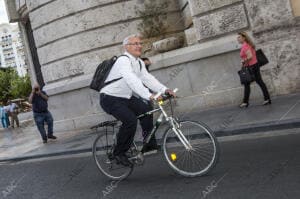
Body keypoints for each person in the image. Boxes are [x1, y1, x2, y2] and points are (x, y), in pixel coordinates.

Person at [100, 34, 175, 166]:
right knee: (130, 120)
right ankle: (119, 153)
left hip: (125, 97)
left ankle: (149, 145)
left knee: (146, 109)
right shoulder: (123, 61)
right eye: (135, 43)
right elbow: (131, 80)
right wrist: (149, 95)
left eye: (140, 43)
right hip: (110, 98)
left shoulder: (139, 62)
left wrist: (164, 90)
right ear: (126, 47)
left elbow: (147, 79)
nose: (139, 46)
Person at [237, 32, 271, 108]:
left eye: (239, 37)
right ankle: (267, 99)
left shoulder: (245, 46)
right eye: (237, 37)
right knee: (258, 82)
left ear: (244, 38)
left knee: (248, 84)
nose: (237, 39)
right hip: (254, 65)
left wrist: (243, 60)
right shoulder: (248, 44)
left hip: (251, 67)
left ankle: (245, 102)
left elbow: (250, 56)